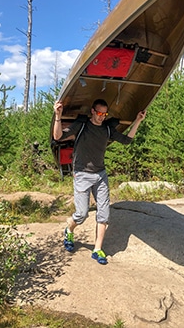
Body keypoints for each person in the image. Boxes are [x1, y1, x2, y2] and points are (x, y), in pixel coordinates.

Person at [53, 99, 146, 265]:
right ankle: (69, 229)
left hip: (100, 175)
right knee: (81, 214)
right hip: (82, 174)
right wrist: (58, 116)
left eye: (105, 114)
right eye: (100, 113)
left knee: (103, 214)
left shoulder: (107, 129)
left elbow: (127, 140)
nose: (102, 117)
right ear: (93, 111)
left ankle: (97, 249)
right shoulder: (81, 126)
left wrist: (138, 120)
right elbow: (58, 136)